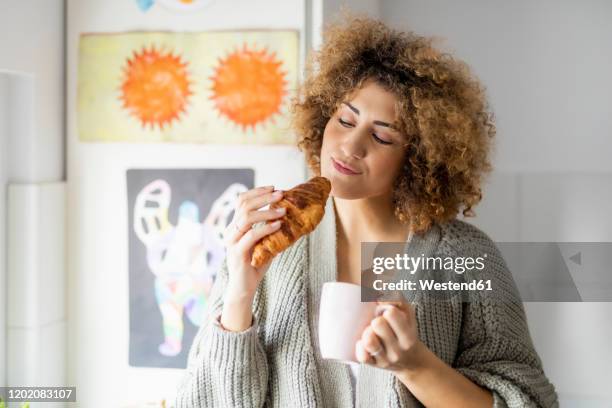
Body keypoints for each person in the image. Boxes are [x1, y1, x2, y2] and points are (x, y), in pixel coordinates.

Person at [175, 15, 558, 407]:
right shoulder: (269, 242)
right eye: (344, 120)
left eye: (381, 136)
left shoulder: (466, 258)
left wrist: (414, 365)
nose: (351, 146)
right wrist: (240, 292)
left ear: (418, 159)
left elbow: (528, 402)